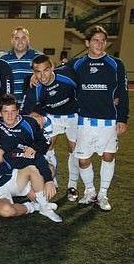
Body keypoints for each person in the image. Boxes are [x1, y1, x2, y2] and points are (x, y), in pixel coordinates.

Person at [65, 25, 129, 210]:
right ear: (87, 43)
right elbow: (57, 75)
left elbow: (123, 93)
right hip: (84, 120)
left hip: (109, 120)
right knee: (83, 159)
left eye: (103, 40)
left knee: (108, 156)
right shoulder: (77, 64)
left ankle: (103, 194)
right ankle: (90, 192)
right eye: (95, 40)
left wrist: (123, 118)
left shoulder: (116, 64)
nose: (100, 44)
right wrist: (36, 77)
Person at [21, 54, 80, 200]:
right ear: (33, 73)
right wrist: (34, 114)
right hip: (52, 117)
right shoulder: (34, 87)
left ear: (53, 68)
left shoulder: (67, 75)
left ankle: (72, 185)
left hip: (73, 115)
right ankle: (51, 179)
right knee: (47, 146)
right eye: (38, 72)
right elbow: (24, 111)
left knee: (75, 149)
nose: (42, 75)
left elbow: (78, 67)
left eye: (46, 70)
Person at [0, 94, 57, 200]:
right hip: (8, 166)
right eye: (6, 112)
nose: (10, 116)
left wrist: (35, 148)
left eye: (13, 111)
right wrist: (0, 151)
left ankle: (33, 187)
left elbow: (45, 142)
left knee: (50, 170)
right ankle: (25, 188)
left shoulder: (29, 123)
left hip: (28, 161)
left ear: (18, 111)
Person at [0, 27, 42, 104]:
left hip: (32, 104)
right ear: (12, 41)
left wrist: (36, 75)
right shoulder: (3, 59)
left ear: (28, 40)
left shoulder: (38, 57)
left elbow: (48, 75)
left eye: (23, 38)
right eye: (17, 38)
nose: (20, 41)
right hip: (10, 105)